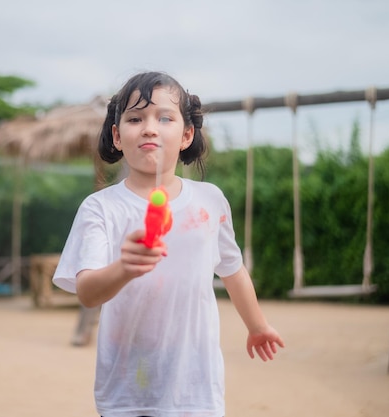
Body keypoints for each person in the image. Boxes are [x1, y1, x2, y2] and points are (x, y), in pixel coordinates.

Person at [53, 71, 284, 417]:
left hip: (196, 388)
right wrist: (123, 268)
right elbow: (87, 292)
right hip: (127, 390)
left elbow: (233, 271)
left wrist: (258, 325)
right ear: (116, 136)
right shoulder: (100, 208)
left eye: (164, 117)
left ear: (186, 134)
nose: (149, 127)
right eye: (135, 118)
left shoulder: (210, 201)